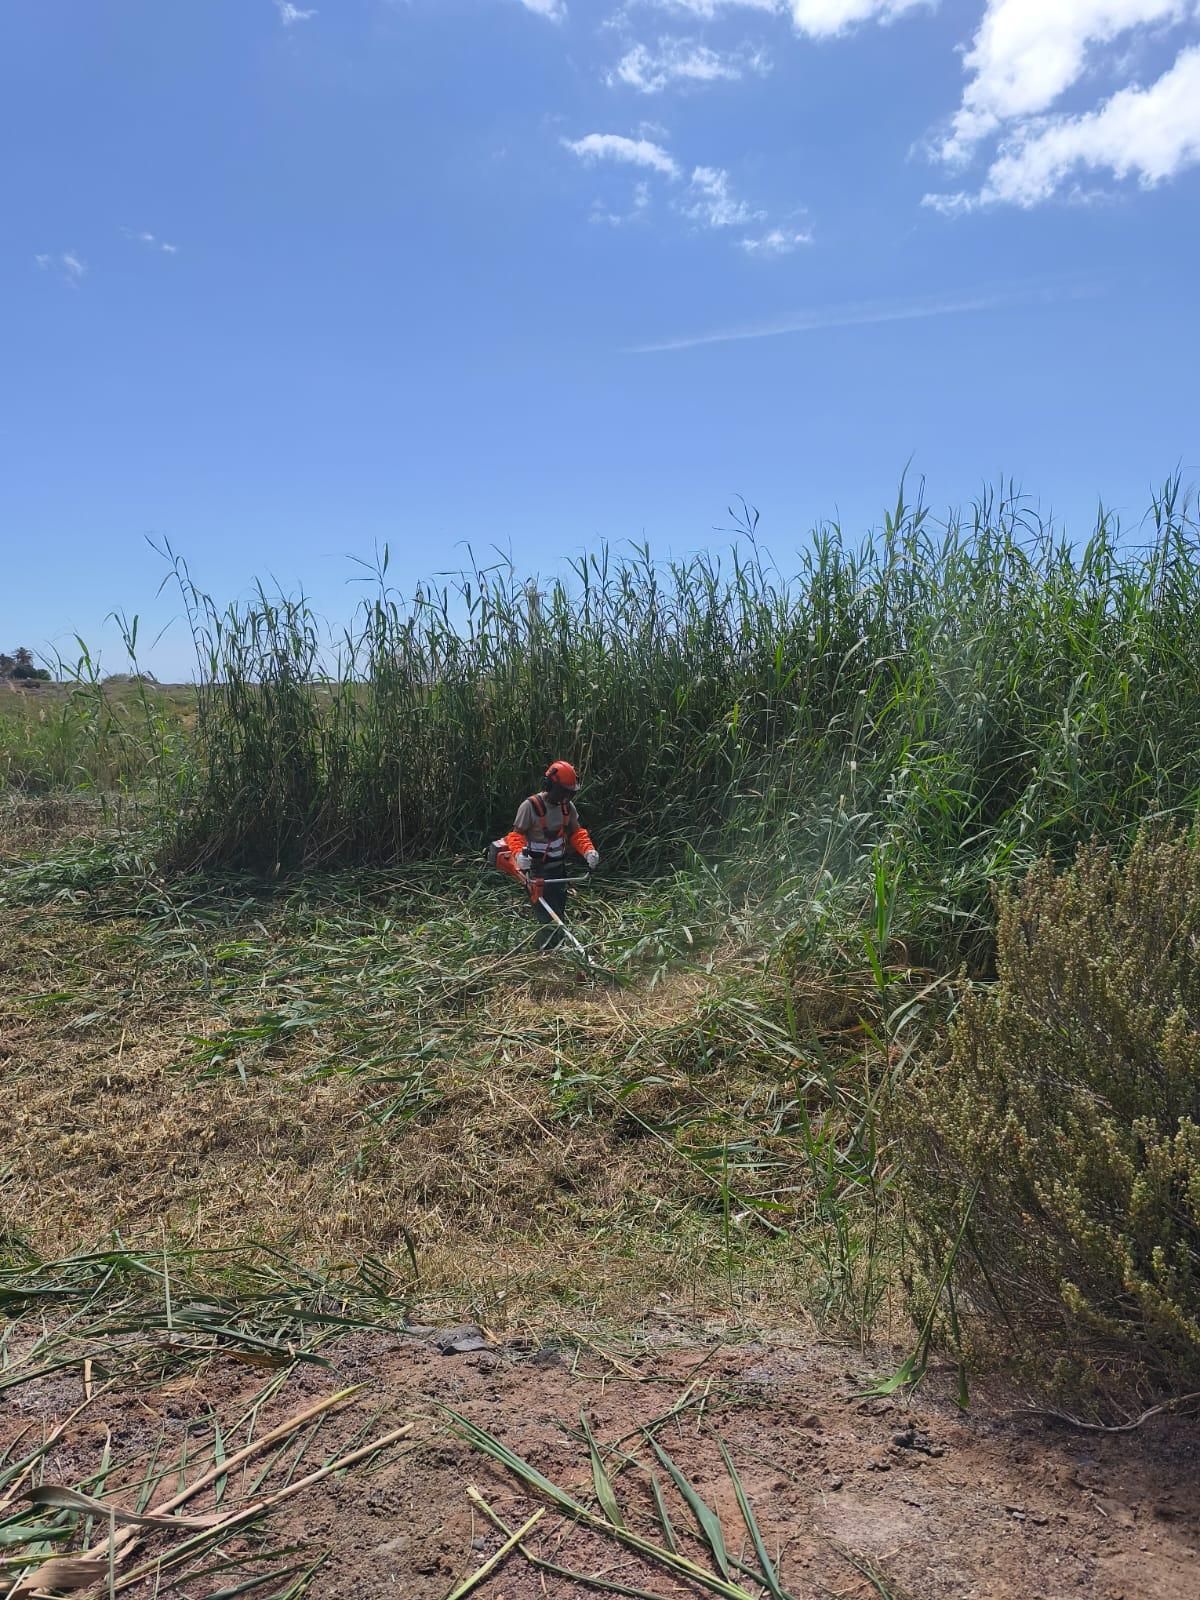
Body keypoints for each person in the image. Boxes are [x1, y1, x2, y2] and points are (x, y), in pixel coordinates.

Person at [490, 760, 600, 949]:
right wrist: (519, 855)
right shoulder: (530, 807)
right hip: (538, 872)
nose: (567, 797)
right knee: (549, 919)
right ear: (550, 786)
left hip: (559, 870)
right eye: (563, 792)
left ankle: (553, 948)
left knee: (558, 911)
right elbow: (516, 836)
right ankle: (546, 953)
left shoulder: (567, 808)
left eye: (570, 793)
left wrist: (588, 850)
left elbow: (576, 833)